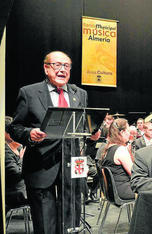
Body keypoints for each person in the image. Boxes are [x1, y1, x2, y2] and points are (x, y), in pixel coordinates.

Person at [8, 51, 88, 233]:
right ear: (46, 68)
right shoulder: (28, 93)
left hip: (72, 170)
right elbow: (14, 127)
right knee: (46, 225)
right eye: (57, 65)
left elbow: (82, 127)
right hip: (41, 168)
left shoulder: (80, 94)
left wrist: (92, 134)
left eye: (66, 66)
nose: (62, 70)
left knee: (71, 226)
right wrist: (30, 134)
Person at [101, 118, 135, 199]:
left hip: (112, 192)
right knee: (151, 191)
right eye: (128, 132)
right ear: (122, 132)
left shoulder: (108, 148)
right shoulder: (120, 150)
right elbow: (134, 173)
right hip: (124, 191)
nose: (130, 135)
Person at [5, 116, 27, 212]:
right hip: (15, 193)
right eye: (11, 132)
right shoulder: (4, 150)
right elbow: (15, 173)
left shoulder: (17, 147)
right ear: (5, 133)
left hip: (24, 189)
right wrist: (23, 159)